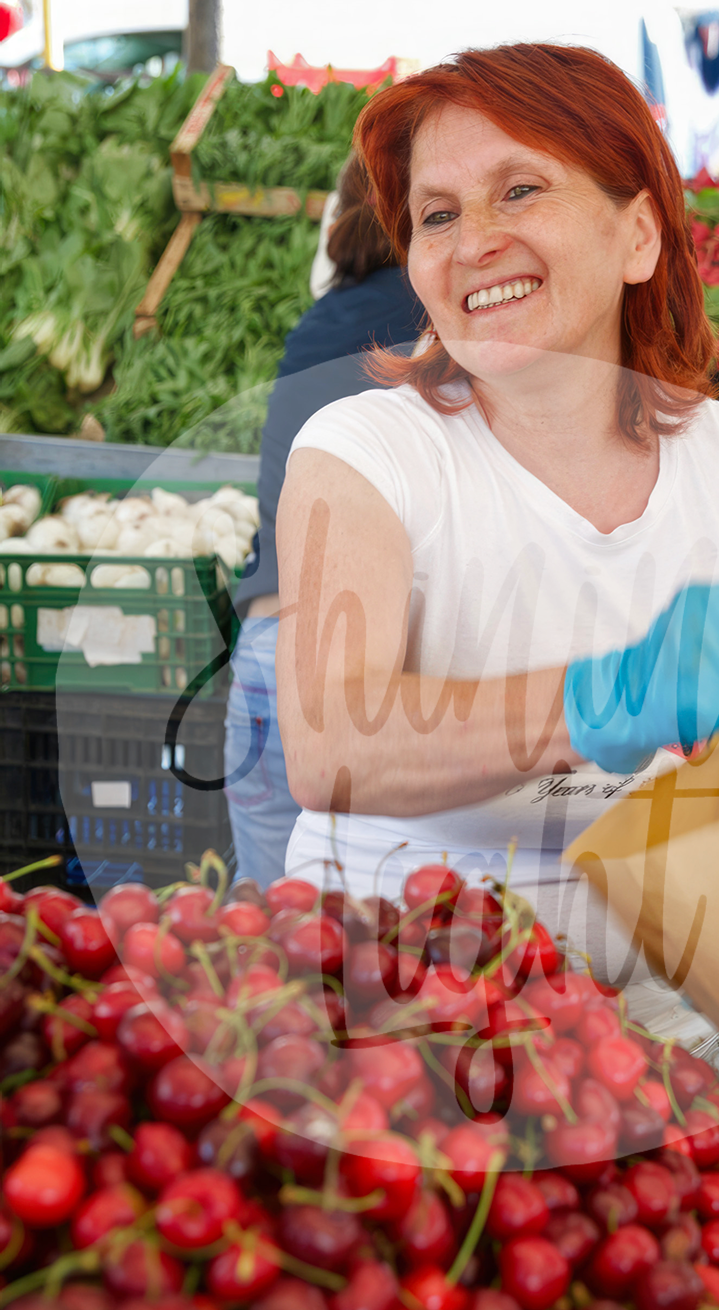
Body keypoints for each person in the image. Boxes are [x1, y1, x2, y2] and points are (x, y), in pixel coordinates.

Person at [274, 43, 719, 1049]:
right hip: (390, 1022)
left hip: (662, 1040)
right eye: (438, 215)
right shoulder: (364, 450)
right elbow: (331, 743)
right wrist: (605, 696)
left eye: (519, 190)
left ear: (636, 234)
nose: (472, 241)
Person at [225, 153, 424, 888]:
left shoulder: (313, 326)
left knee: (266, 954)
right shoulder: (443, 320)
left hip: (264, 656)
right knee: (383, 963)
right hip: (365, 676)